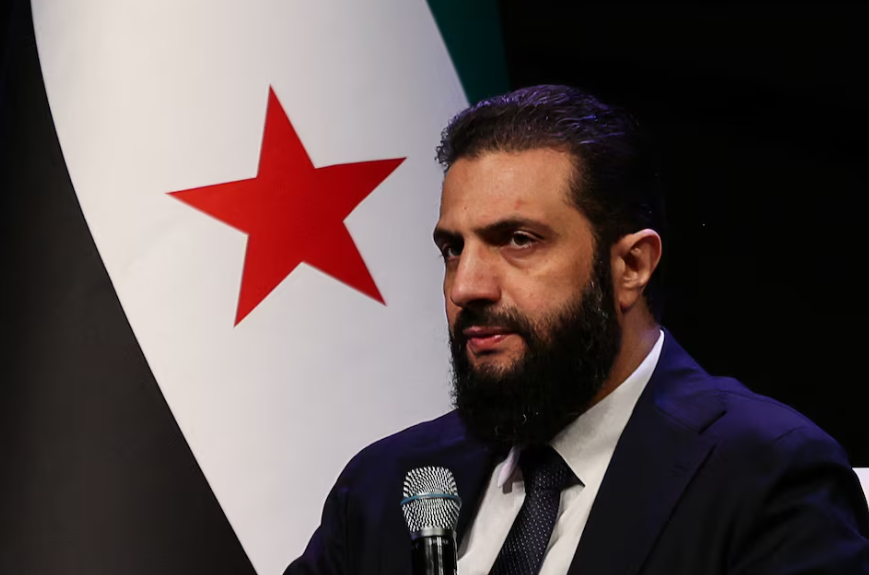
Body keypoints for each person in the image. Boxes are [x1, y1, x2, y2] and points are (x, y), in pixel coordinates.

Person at [284, 85, 869, 574]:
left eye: (518, 240)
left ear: (631, 266)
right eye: (453, 248)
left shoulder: (766, 477)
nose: (466, 286)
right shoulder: (386, 485)